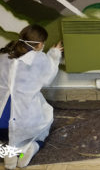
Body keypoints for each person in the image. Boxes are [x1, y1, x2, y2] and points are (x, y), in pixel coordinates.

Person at [0, 24, 63, 169]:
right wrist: (54, 53)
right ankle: (30, 149)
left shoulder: (4, 55)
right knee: (45, 120)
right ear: (40, 44)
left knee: (6, 137)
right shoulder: (39, 59)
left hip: (1, 120)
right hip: (26, 121)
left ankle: (9, 155)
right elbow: (48, 77)